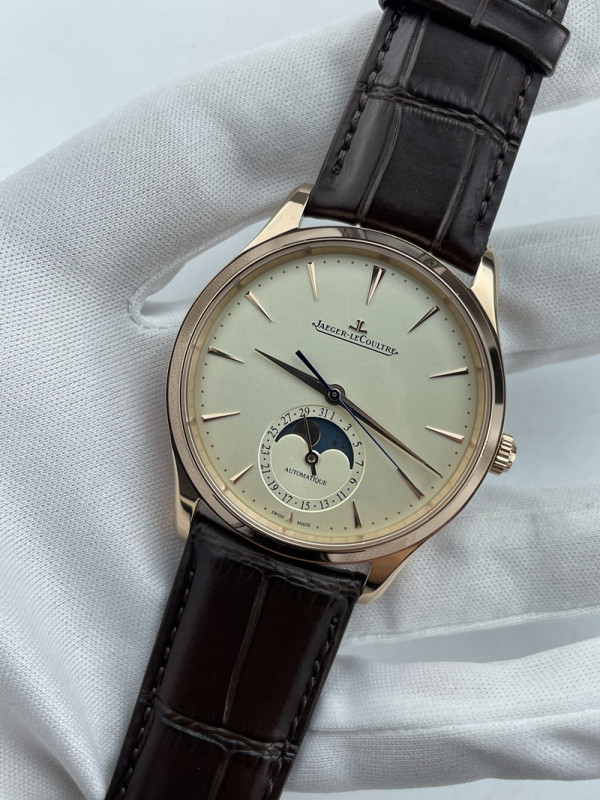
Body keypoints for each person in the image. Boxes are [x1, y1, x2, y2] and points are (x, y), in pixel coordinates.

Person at [1, 2, 599, 797]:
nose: (338, 395)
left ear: (487, 450)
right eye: (330, 389)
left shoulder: (327, 269)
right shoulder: (294, 251)